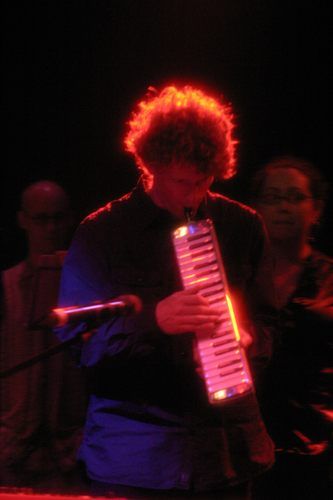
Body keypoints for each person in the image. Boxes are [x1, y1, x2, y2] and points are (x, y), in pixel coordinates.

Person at [55, 85, 276, 499]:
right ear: (149, 164)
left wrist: (247, 340)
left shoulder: (242, 226)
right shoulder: (102, 233)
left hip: (227, 454)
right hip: (136, 460)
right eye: (181, 182)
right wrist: (153, 321)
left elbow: (271, 323)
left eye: (204, 181)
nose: (194, 194)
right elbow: (77, 344)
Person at [248, 156, 333, 499]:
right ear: (255, 208)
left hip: (318, 446)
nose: (284, 206)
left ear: (316, 209)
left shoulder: (329, 277)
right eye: (273, 197)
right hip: (244, 446)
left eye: (295, 197)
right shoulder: (239, 276)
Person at [0, 180, 88, 493]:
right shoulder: (6, 287)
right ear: (23, 220)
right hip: (12, 455)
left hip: (69, 456)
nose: (50, 228)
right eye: (41, 219)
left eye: (57, 218)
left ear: (69, 219)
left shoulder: (88, 290)